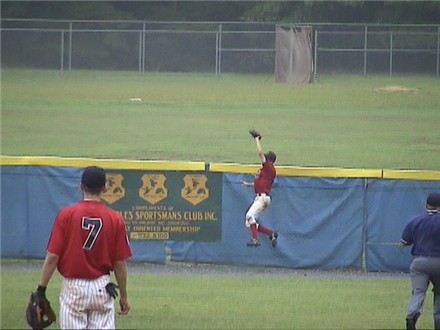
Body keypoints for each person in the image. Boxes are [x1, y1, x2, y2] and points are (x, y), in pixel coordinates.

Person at [36, 166, 133, 329]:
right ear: (105, 188)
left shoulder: (66, 215)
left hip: (74, 289)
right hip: (102, 288)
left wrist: (41, 290)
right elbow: (119, 263)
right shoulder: (115, 219)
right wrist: (124, 296)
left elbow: (53, 257)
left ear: (81, 186)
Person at [401, 192, 440, 330]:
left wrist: (403, 243)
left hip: (420, 262)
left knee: (418, 292)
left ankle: (411, 316)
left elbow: (405, 241)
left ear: (426, 205)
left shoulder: (416, 220)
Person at [241, 134, 278, 248]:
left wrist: (257, 139)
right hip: (263, 198)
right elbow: (262, 183)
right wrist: (249, 184)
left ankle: (255, 240)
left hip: (262, 198)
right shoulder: (267, 171)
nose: (264, 159)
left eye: (267, 158)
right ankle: (271, 234)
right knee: (249, 224)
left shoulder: (269, 167)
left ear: (270, 160)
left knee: (249, 216)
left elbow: (260, 152)